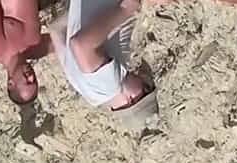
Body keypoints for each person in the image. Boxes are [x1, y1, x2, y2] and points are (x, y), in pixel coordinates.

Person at [48, 0, 159, 130]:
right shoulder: (88, 93)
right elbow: (56, 30)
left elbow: (80, 45)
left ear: (131, 100)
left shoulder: (109, 86)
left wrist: (126, 9)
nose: (144, 79)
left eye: (146, 87)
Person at [0, 0, 54, 105]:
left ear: (11, 83)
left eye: (27, 82)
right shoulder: (35, 49)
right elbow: (62, 42)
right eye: (34, 81)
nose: (31, 77)